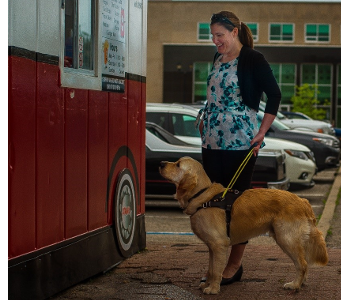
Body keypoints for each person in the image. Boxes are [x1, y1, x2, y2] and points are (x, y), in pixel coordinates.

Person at [198, 10, 281, 285]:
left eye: (219, 35)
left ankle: (234, 266)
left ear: (234, 32)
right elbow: (215, 97)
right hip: (211, 141)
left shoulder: (253, 59)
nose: (215, 41)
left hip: (240, 143)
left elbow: (275, 95)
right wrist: (205, 117)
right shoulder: (217, 58)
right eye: (212, 36)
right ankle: (217, 265)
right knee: (213, 204)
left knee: (237, 206)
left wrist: (262, 132)